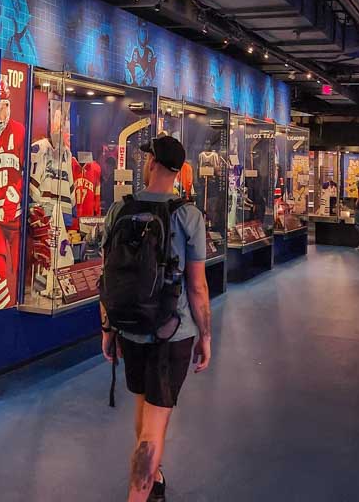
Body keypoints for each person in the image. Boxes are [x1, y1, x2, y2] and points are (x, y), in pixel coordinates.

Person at [101, 135, 212, 502]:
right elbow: (197, 287)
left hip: (129, 328)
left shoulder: (119, 210)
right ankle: (140, 494)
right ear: (180, 171)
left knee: (143, 408)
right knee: (155, 426)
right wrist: (206, 337)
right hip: (172, 331)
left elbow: (108, 275)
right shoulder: (189, 216)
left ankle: (155, 476)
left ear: (150, 165)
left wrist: (107, 329)